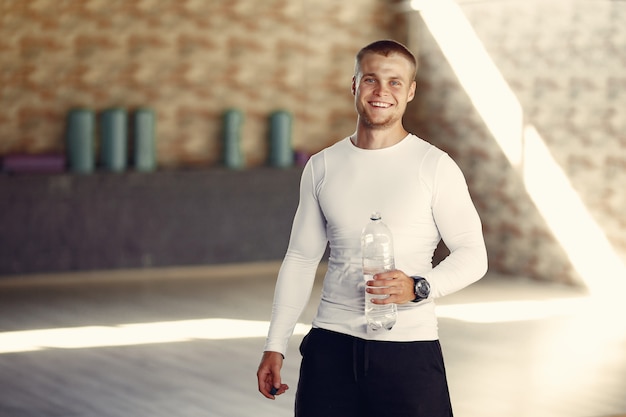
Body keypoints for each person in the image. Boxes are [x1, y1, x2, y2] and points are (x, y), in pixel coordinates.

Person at [256, 39, 488, 417]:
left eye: (395, 82)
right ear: (354, 85)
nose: (382, 92)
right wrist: (275, 343)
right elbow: (300, 258)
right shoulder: (323, 166)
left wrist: (419, 287)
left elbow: (473, 254)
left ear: (411, 91)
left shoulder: (434, 165)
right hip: (330, 348)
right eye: (371, 80)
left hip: (408, 352)